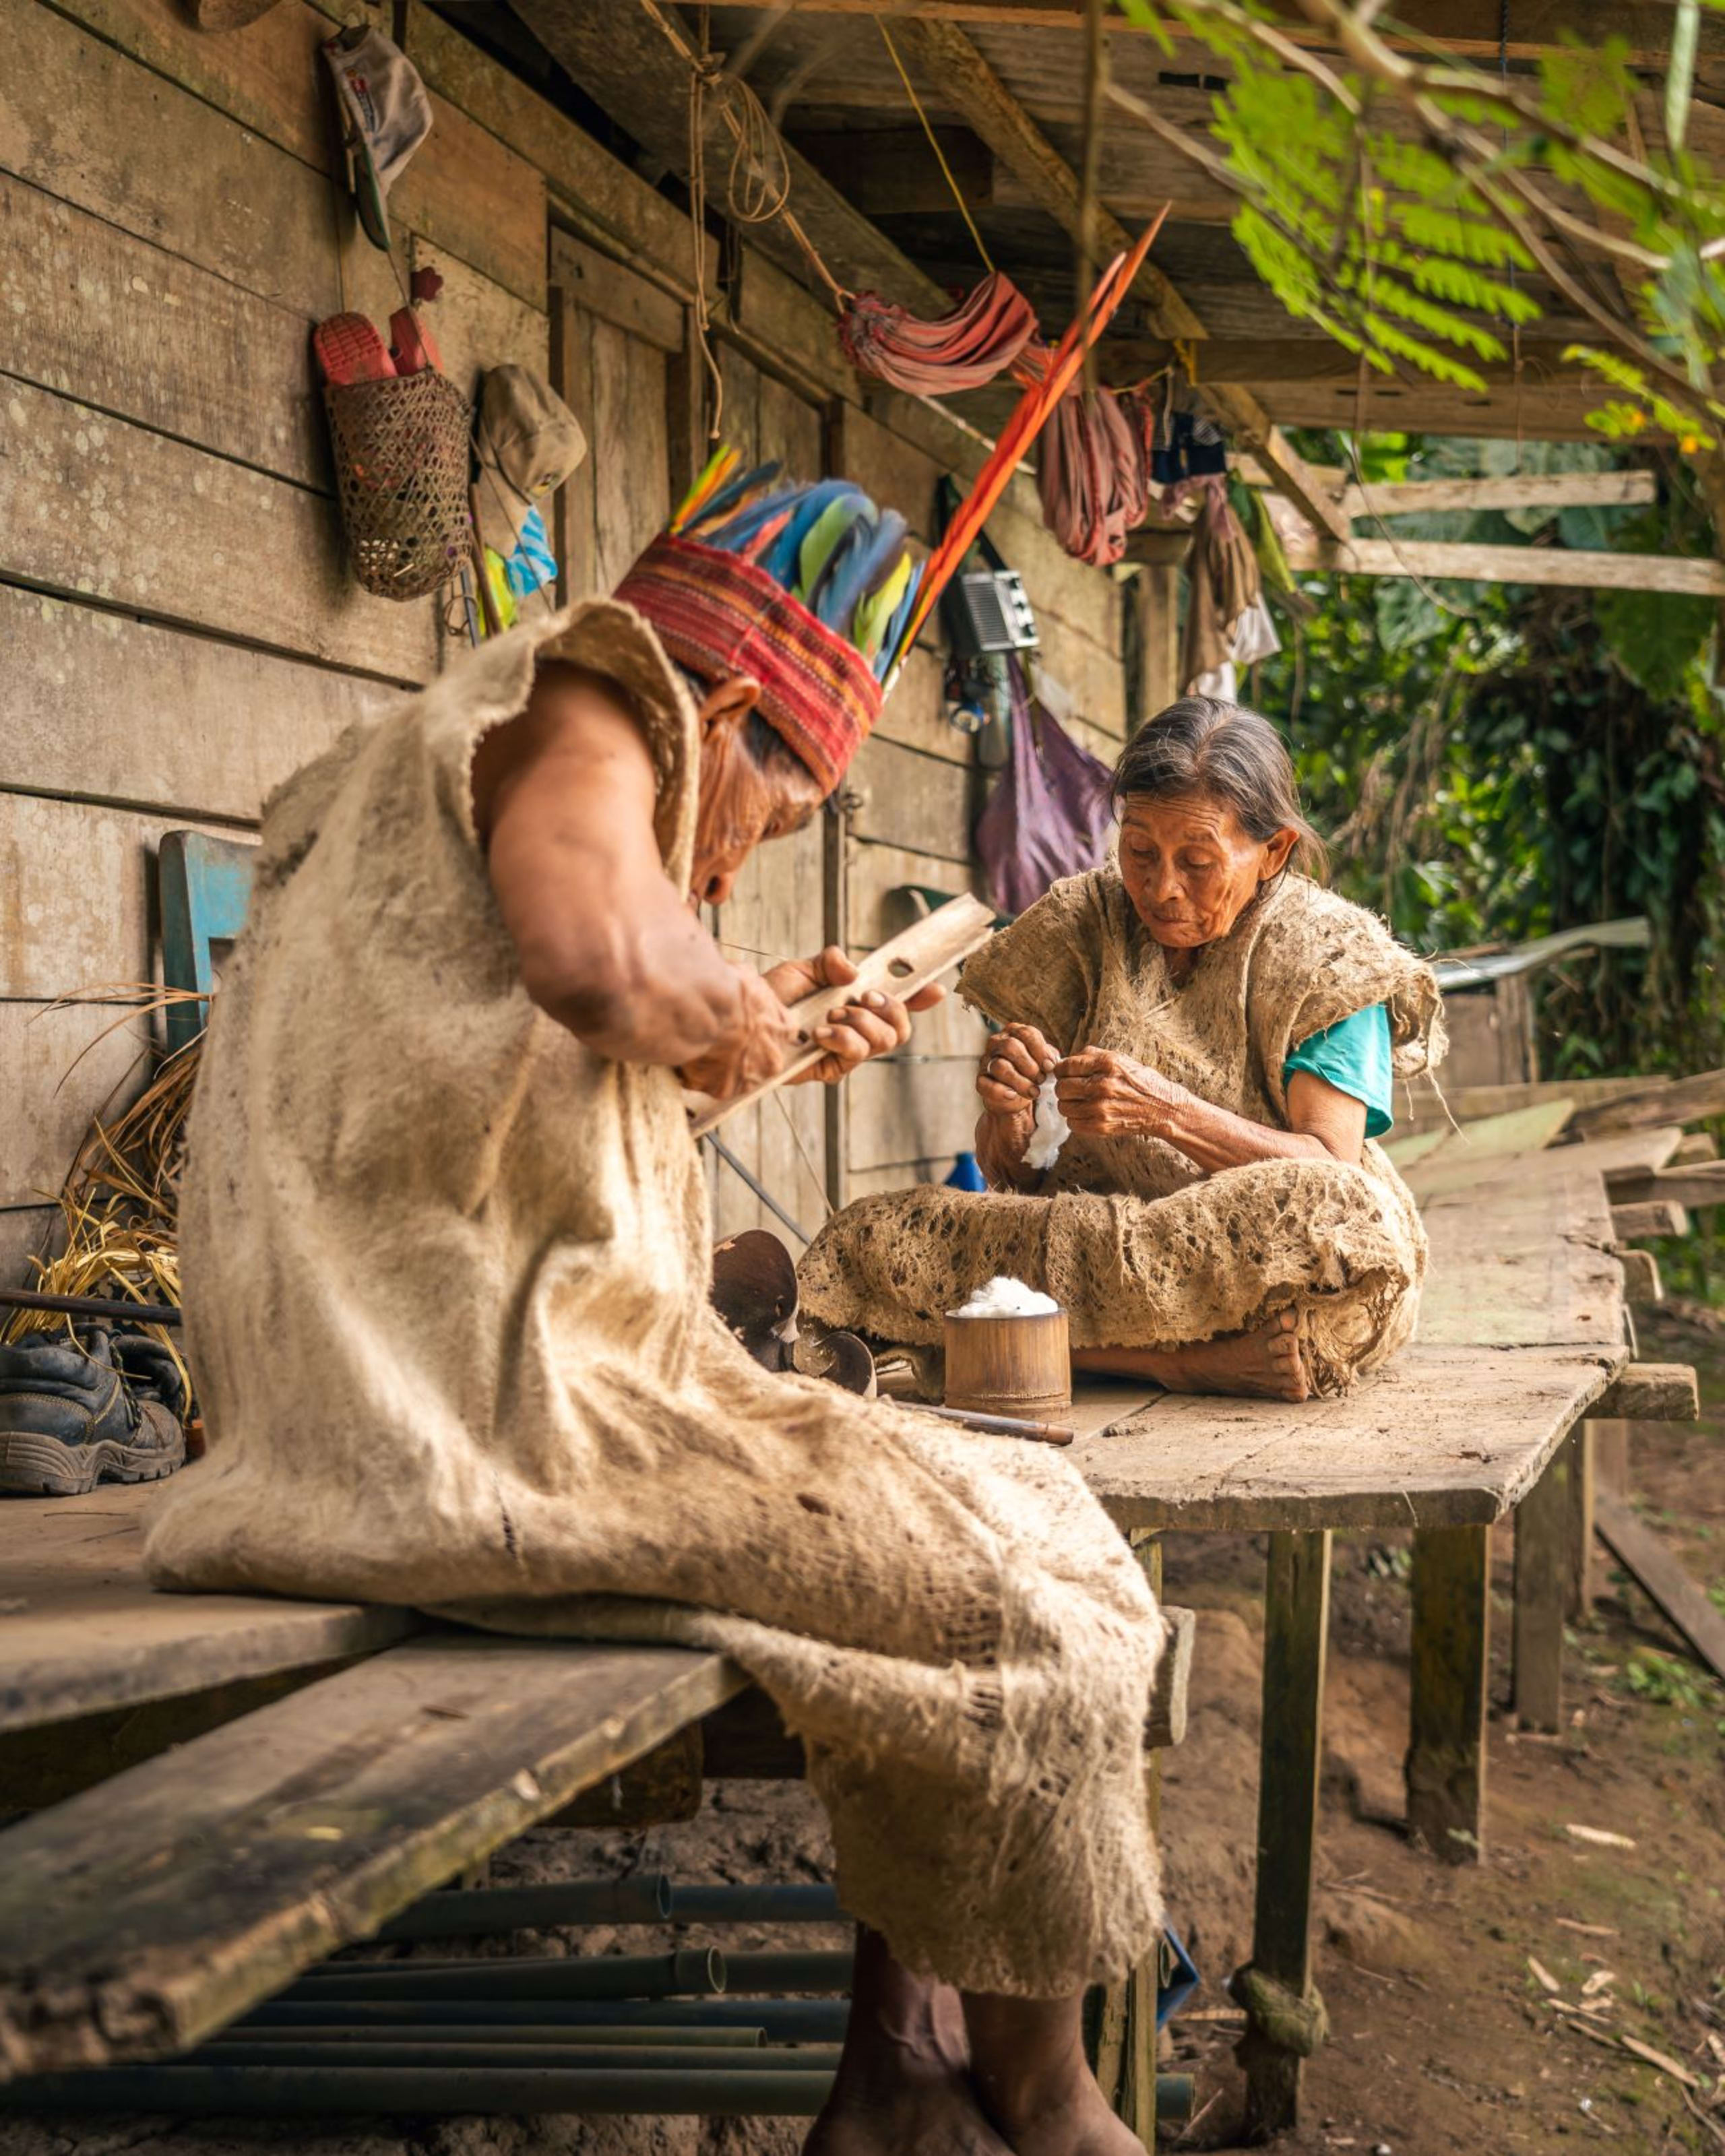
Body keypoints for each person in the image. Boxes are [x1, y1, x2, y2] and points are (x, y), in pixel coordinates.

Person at [144, 469, 1167, 2156]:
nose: (740, 851)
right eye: (772, 812)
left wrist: (746, 1024)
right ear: (736, 712)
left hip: (367, 1404)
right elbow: (598, 958)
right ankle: (1038, 2100)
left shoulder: (448, 766)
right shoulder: (600, 688)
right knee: (1039, 1573)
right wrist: (714, 1005)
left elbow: (508, 1094)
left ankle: (893, 2073)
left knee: (987, 1516)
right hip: (480, 1424)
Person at [799, 696, 1445, 1402]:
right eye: (1139, 851)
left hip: (1250, 1257)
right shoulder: (1077, 925)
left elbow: (1329, 1171)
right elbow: (1016, 1177)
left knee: (1340, 1221)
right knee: (873, 1235)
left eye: (1196, 861)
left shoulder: (1330, 954)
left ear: (1274, 851)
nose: (1161, 887)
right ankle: (1175, 1360)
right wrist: (1010, 1116)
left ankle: (1054, 1346)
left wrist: (1168, 1113)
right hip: (1100, 1242)